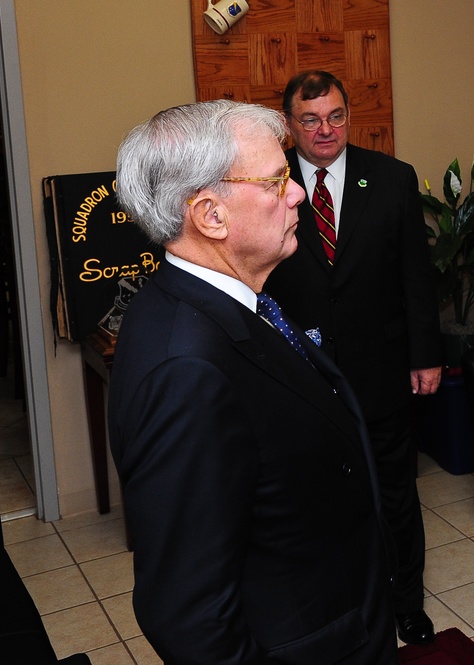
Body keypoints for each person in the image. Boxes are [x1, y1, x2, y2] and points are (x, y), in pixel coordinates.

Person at [109, 100, 398, 664]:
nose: (296, 194)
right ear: (210, 215)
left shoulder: (232, 301)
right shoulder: (185, 370)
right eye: (276, 180)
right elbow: (189, 617)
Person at [264, 70, 443, 645]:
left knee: (395, 493)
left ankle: (405, 602)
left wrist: (426, 355)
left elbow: (416, 275)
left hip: (381, 368)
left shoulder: (391, 178)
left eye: (336, 116)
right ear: (288, 125)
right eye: (310, 119)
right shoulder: (266, 184)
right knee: (315, 498)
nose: (326, 130)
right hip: (300, 376)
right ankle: (335, 605)